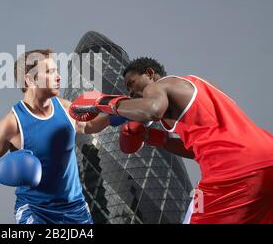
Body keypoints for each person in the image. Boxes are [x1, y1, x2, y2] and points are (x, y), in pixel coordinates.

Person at [69, 57, 273, 224]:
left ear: (149, 74)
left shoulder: (158, 87)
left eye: (131, 84)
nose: (131, 93)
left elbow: (152, 110)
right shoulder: (203, 86)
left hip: (234, 171)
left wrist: (103, 102)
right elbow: (197, 150)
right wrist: (156, 138)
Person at [0, 49, 126, 224]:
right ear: (29, 79)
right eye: (50, 72)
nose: (59, 77)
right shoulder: (13, 123)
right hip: (36, 212)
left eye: (56, 71)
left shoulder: (65, 107)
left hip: (76, 209)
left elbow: (88, 126)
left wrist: (115, 115)